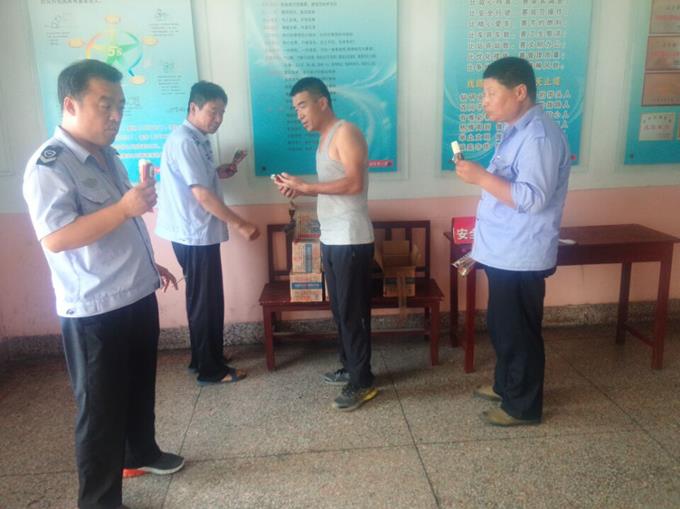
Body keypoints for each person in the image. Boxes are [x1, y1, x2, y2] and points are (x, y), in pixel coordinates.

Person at [22, 59, 184, 509]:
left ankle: (141, 453)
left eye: (121, 106)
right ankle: (98, 502)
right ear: (70, 105)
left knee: (138, 388)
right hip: (95, 309)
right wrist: (126, 208)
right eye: (105, 104)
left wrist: (150, 263)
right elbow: (57, 238)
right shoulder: (50, 165)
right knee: (99, 412)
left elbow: (118, 224)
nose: (116, 116)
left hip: (135, 293)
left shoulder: (107, 156)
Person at [454, 57, 572, 426]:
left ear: (520, 92)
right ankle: (506, 386)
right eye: (484, 94)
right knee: (504, 326)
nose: (484, 101)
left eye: (491, 93)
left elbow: (532, 198)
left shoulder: (538, 137)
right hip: (505, 251)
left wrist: (479, 177)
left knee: (518, 332)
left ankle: (522, 407)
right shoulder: (517, 131)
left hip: (521, 253)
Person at [274, 77, 377, 411]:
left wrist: (307, 187)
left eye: (303, 105)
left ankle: (362, 381)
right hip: (332, 238)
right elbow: (333, 187)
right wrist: (300, 189)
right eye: (295, 109)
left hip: (351, 238)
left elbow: (354, 183)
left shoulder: (346, 132)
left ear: (322, 103)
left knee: (352, 312)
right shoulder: (324, 139)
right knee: (340, 310)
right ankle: (349, 366)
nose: (299, 114)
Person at [156, 81, 258, 385]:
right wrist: (241, 224)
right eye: (213, 111)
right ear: (193, 107)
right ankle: (210, 370)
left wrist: (217, 172)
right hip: (193, 233)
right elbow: (200, 194)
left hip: (197, 233)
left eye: (222, 113)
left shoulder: (196, 139)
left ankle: (204, 358)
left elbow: (196, 179)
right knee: (205, 301)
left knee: (205, 299)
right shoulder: (185, 141)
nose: (218, 119)